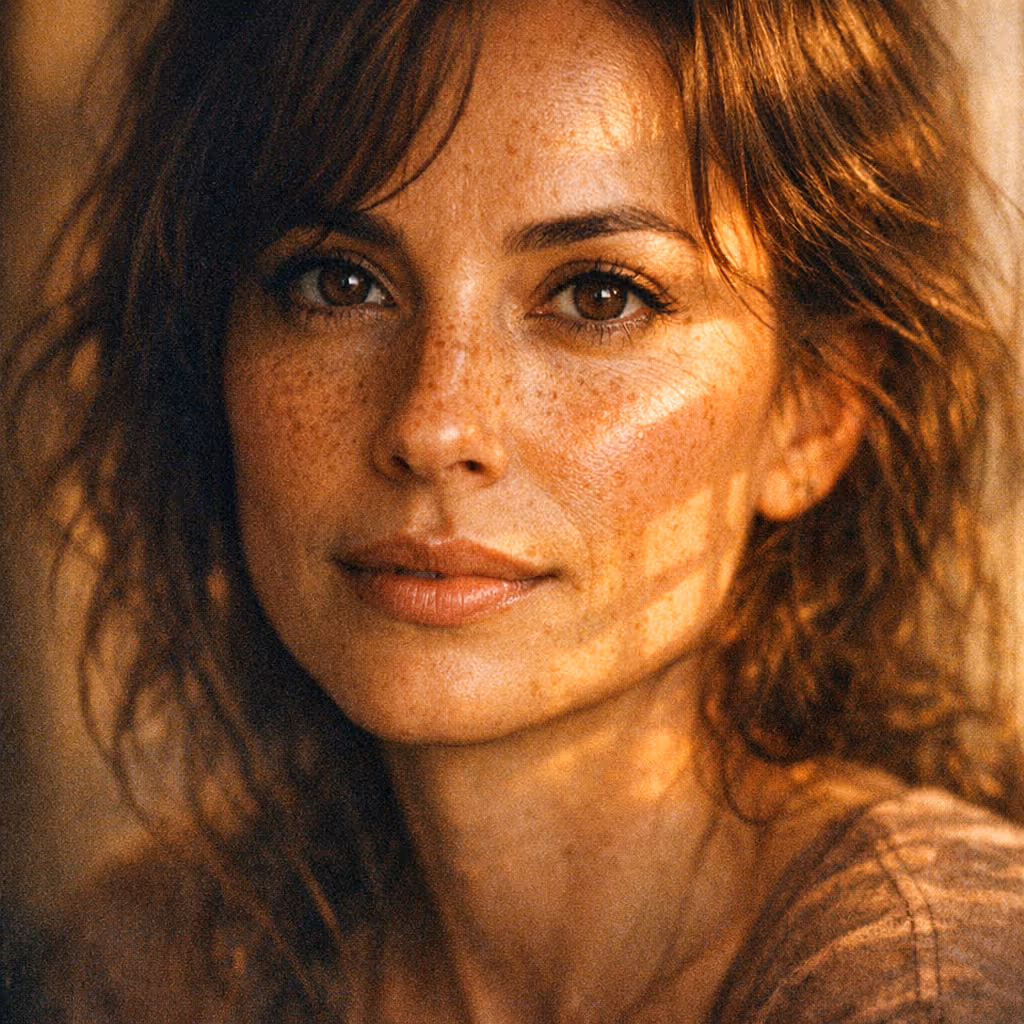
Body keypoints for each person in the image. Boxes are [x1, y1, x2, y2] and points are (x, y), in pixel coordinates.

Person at [8, 0, 1024, 1020]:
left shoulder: (935, 981)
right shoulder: (152, 967)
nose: (433, 422)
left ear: (813, 412)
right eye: (339, 280)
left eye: (598, 296)